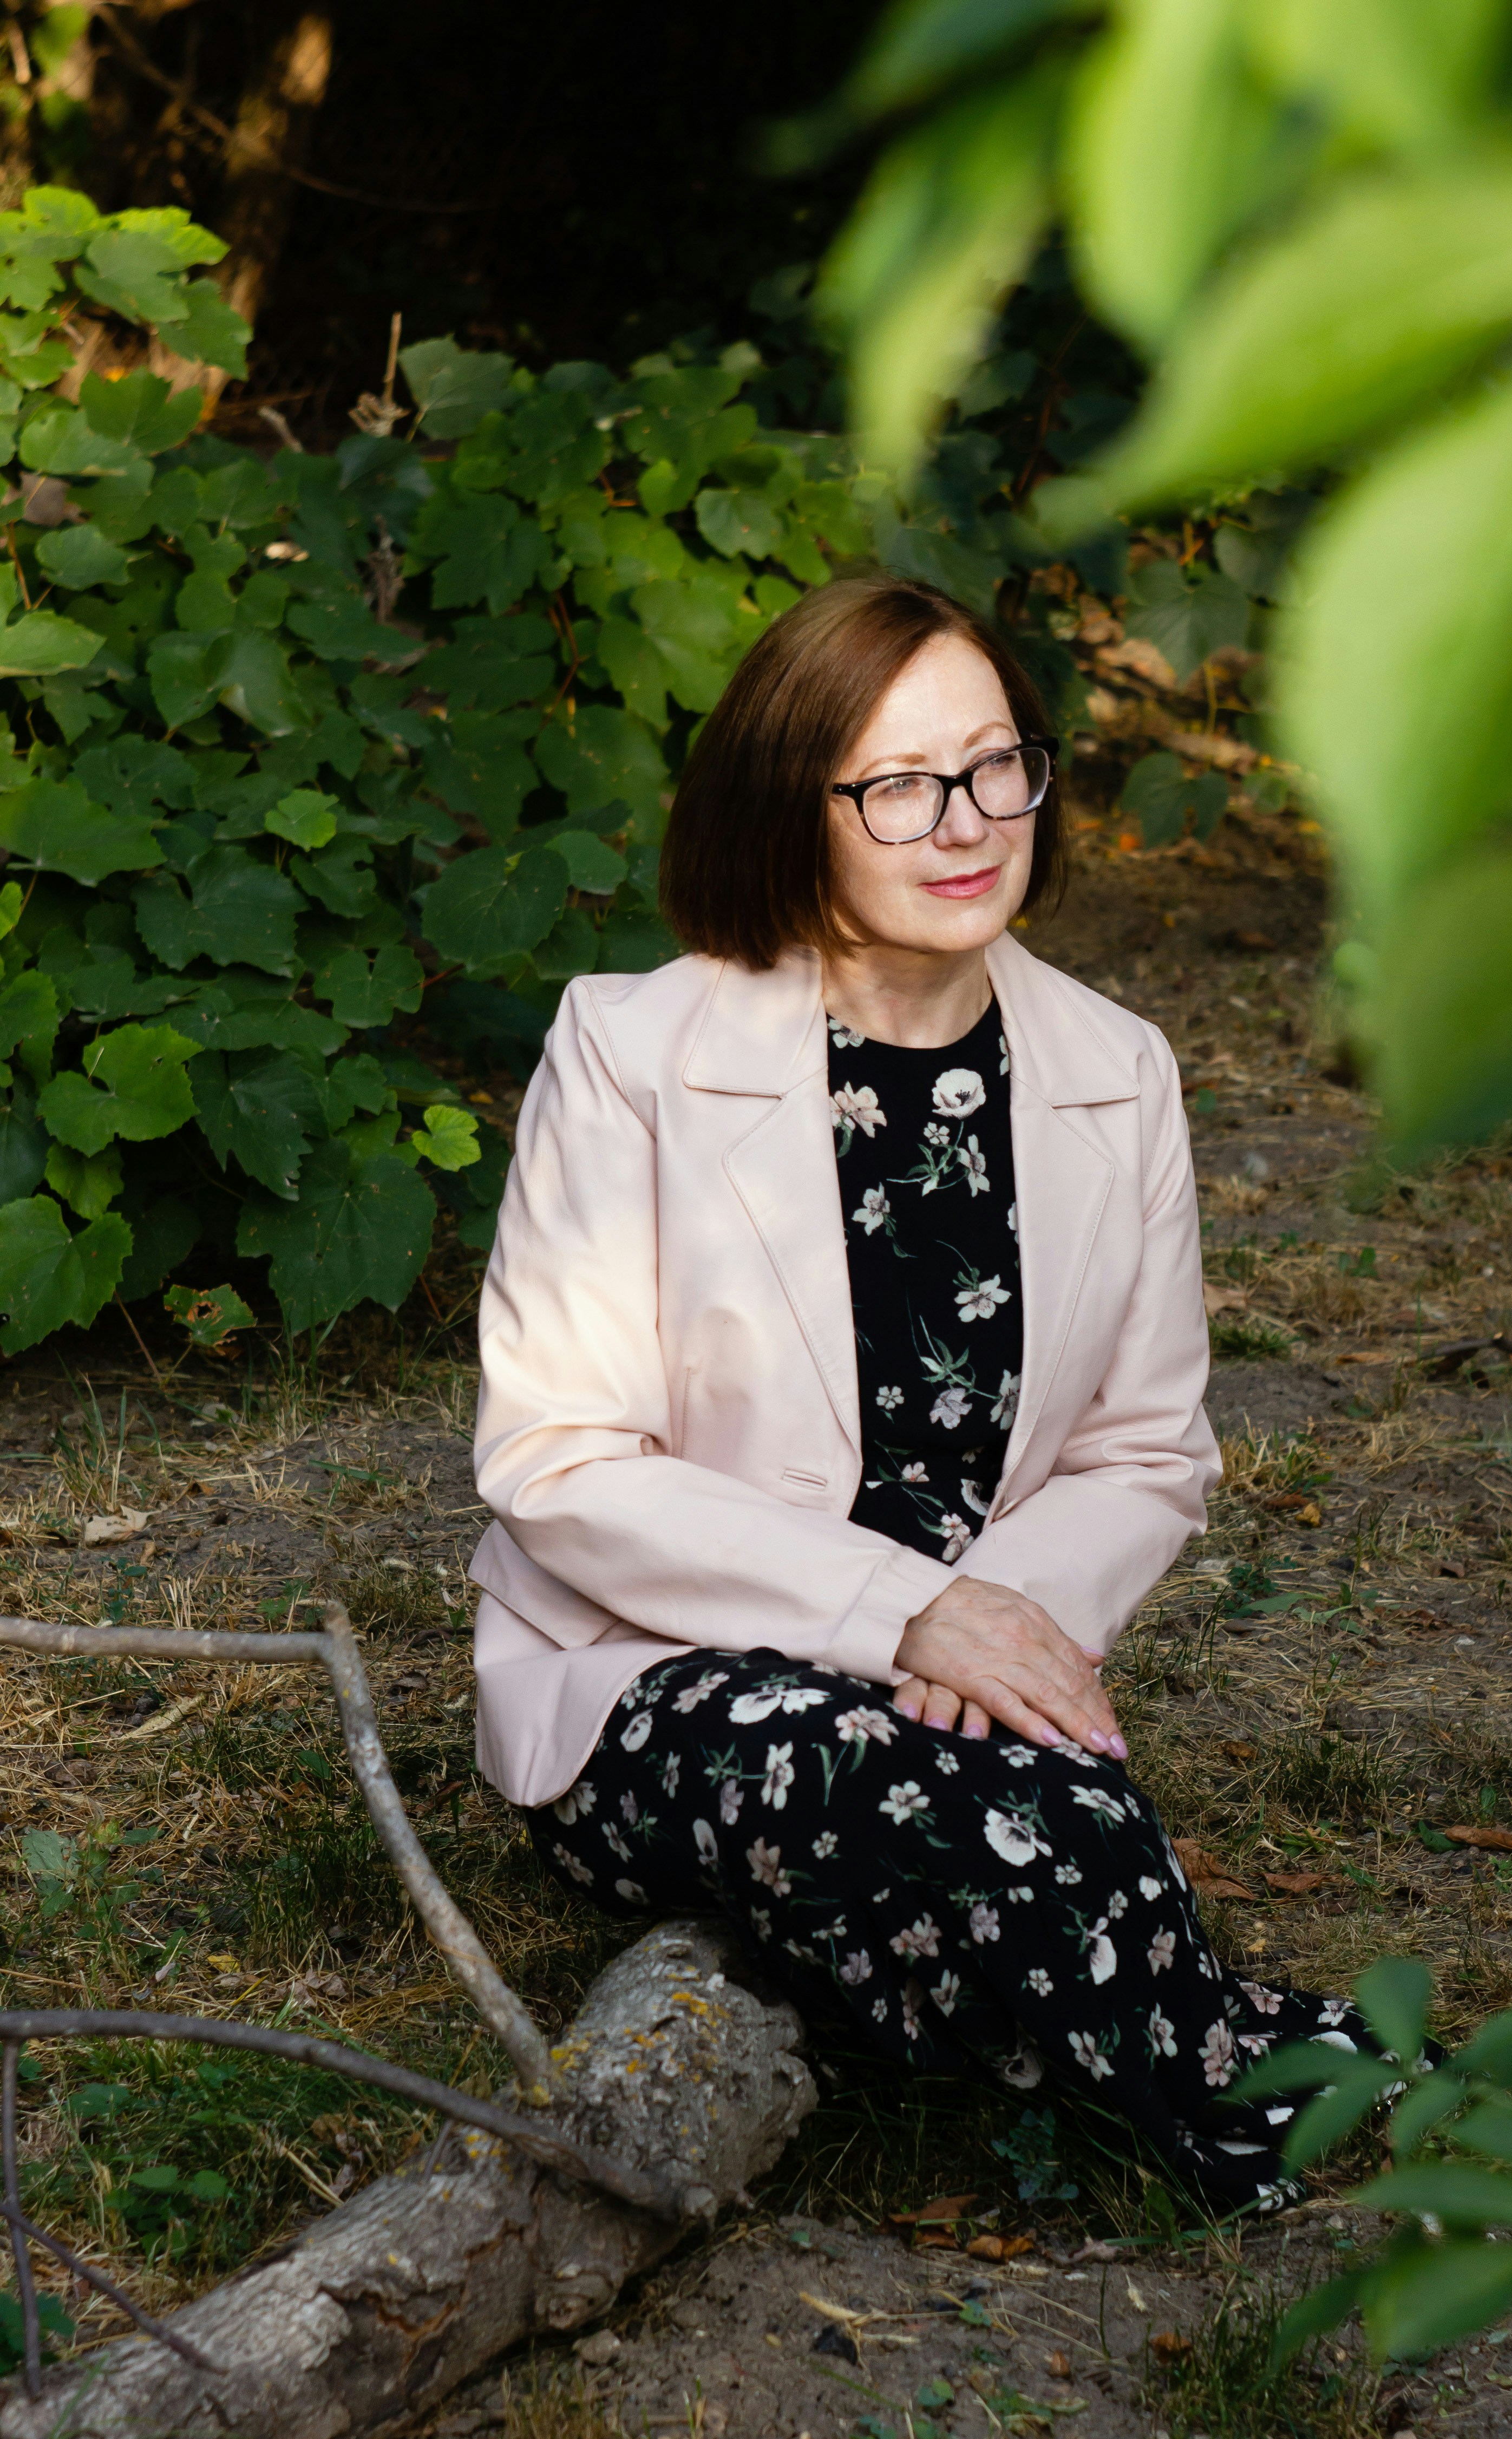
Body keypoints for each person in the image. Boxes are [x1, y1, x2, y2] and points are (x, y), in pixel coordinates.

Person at [469, 574, 1371, 2211]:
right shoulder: (633, 1052)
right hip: (665, 1666)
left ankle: (1109, 2035)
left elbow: (1146, 1447)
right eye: (895, 785)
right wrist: (900, 1615)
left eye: (994, 765)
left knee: (1028, 1814)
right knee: (954, 1814)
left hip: (974, 1660)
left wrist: (980, 1626)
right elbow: (560, 1460)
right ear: (791, 806)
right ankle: (1248, 2102)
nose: (963, 823)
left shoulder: (1118, 1067)